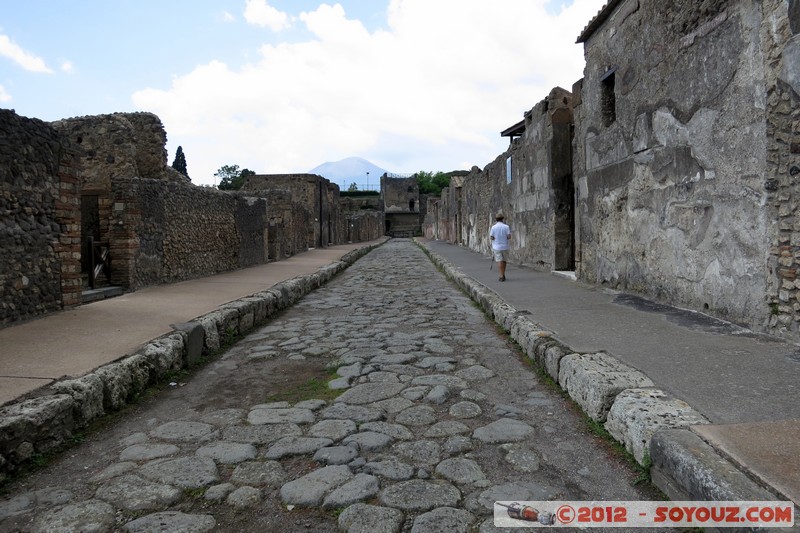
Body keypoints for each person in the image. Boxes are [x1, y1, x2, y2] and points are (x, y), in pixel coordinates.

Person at [490, 212, 511, 281]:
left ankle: (501, 275)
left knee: (499, 261)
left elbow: (491, 237)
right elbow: (509, 236)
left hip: (496, 246)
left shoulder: (493, 227)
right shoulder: (506, 227)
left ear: (496, 219)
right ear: (502, 219)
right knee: (504, 261)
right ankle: (503, 274)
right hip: (505, 246)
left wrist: (495, 238)